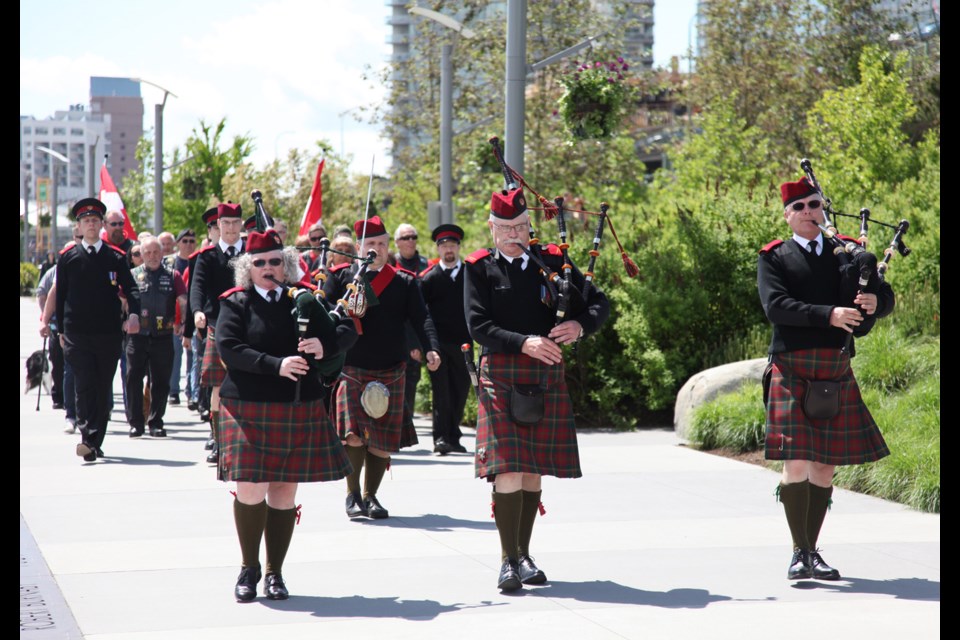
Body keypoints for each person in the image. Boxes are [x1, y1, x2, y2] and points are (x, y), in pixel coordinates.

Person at [464, 188, 609, 591]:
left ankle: (524, 555)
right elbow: (478, 326)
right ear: (491, 228)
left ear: (530, 226)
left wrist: (581, 326)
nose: (514, 234)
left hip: (544, 375)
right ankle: (507, 560)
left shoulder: (553, 261)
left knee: (531, 470)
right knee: (508, 467)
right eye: (506, 228)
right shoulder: (479, 268)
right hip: (502, 371)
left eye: (521, 227)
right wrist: (523, 341)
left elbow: (597, 304)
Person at [758, 177, 895, 581]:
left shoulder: (847, 253)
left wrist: (877, 303)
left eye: (813, 204)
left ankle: (812, 551)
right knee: (796, 461)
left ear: (824, 209)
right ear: (787, 216)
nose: (807, 213)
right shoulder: (774, 257)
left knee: (824, 467)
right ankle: (798, 552)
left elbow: (882, 295)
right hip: (791, 365)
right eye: (798, 208)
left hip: (835, 368)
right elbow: (775, 306)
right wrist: (829, 315)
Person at [216, 228, 356, 602]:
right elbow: (229, 348)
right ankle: (249, 568)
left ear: (287, 264)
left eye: (275, 261)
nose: (267, 268)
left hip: (296, 405)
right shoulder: (235, 303)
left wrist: (324, 345)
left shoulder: (305, 298)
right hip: (247, 406)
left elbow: (348, 330)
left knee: (283, 491)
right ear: (248, 268)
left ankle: (275, 573)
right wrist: (275, 365)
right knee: (249, 487)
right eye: (259, 262)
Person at [322, 215, 441, 520]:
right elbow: (325, 318)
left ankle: (371, 495)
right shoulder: (341, 278)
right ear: (359, 248)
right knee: (353, 436)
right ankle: (352, 495)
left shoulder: (404, 281)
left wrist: (432, 348)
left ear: (389, 245)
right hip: (352, 366)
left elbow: (422, 317)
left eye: (381, 243)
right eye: (370, 244)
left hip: (391, 367)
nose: (376, 249)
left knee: (382, 440)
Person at [44, 198, 141, 462]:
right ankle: (88, 438)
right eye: (86, 221)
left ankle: (95, 441)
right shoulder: (68, 258)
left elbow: (131, 288)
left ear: (101, 226)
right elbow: (61, 294)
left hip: (108, 334)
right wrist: (59, 328)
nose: (90, 224)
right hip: (77, 333)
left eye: (95, 221)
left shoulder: (115, 257)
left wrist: (133, 313)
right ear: (79, 226)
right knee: (84, 384)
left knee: (102, 386)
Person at [190, 203, 245, 464]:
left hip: (248, 326)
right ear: (218, 226)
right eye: (226, 223)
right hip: (216, 324)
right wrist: (197, 311)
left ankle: (243, 438)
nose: (231, 228)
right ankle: (219, 441)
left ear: (241, 224)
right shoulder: (208, 256)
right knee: (218, 387)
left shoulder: (252, 253)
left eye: (235, 223)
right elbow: (197, 287)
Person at [125, 237, 187, 438]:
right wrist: (123, 322)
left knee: (160, 381)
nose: (152, 256)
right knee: (133, 377)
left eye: (155, 252)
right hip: (137, 335)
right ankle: (135, 423)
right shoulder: (133, 275)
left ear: (162, 254)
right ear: (141, 255)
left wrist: (182, 322)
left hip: (163, 335)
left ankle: (156, 422)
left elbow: (183, 300)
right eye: (148, 253)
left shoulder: (173, 275)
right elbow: (122, 300)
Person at [420, 224, 471, 455]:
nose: (448, 249)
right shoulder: (429, 278)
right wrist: (425, 346)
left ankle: (454, 437)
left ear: (459, 247)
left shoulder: (470, 275)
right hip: (438, 345)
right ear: (438, 249)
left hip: (465, 344)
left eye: (452, 245)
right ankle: (441, 438)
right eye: (444, 246)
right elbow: (421, 314)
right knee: (442, 392)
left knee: (460, 390)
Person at [393, 222, 429, 447]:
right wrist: (410, 343)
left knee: (411, 383)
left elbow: (423, 310)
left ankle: (403, 430)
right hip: (398, 334)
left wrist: (423, 343)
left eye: (413, 236)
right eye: (405, 237)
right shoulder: (392, 264)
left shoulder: (425, 264)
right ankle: (394, 430)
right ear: (396, 242)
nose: (410, 241)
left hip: (419, 331)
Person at [169, 229, 197, 406]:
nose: (188, 244)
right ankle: (173, 391)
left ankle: (191, 391)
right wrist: (175, 319)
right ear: (178, 243)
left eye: (191, 241)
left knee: (192, 356)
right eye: (184, 241)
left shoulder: (198, 260)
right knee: (175, 356)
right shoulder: (171, 262)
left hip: (193, 317)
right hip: (174, 317)